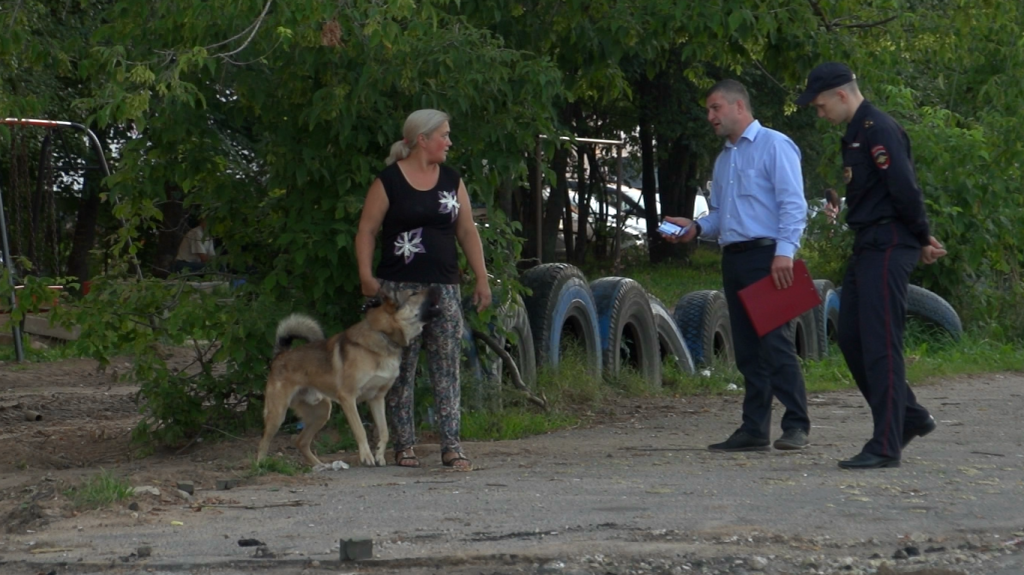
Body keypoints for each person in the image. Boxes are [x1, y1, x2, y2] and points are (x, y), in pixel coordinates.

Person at [796, 62, 947, 469]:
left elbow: (904, 186)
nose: (819, 112)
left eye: (820, 104)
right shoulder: (856, 133)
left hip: (889, 242)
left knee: (880, 342)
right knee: (851, 336)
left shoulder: (878, 129)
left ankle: (886, 444)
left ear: (842, 95)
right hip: (868, 242)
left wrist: (920, 237)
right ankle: (910, 416)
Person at [661, 80, 811, 453]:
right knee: (747, 349)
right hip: (736, 258)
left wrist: (785, 252)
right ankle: (754, 428)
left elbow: (794, 204)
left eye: (715, 108)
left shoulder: (775, 145)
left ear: (738, 106)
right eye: (709, 110)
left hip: (770, 257)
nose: (710, 116)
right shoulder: (725, 158)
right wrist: (695, 228)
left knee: (776, 344)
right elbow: (722, 215)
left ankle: (796, 425)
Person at [355, 109, 491, 471]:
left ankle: (452, 445)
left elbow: (466, 231)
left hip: (443, 288)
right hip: (399, 289)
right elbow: (367, 230)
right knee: (399, 368)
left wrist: (481, 277)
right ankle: (403, 445)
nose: (449, 142)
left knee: (447, 365)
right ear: (422, 139)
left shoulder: (451, 179)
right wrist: (366, 276)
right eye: (444, 135)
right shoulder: (389, 182)